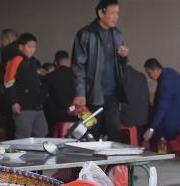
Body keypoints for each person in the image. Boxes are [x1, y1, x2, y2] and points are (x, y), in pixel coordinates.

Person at [72, 0, 129, 141]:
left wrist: (123, 57)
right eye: (112, 13)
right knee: (91, 133)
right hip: (92, 93)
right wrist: (80, 93)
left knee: (114, 131)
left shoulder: (117, 34)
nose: (116, 17)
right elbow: (78, 66)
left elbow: (120, 65)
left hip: (113, 94)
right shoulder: (85, 34)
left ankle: (114, 164)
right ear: (101, 13)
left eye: (118, 13)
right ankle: (90, 164)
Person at [4, 33, 48, 138]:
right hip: (22, 106)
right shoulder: (15, 60)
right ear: (21, 47)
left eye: (34, 47)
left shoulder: (34, 61)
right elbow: (8, 81)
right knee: (23, 136)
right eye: (29, 46)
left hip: (37, 105)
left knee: (42, 132)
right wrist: (13, 102)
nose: (32, 50)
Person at [142, 59, 180, 144]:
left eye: (149, 73)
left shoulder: (166, 82)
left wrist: (151, 129)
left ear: (156, 70)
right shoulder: (169, 73)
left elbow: (162, 106)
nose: (149, 76)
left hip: (174, 121)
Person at [44, 50, 77, 135]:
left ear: (56, 62)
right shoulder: (77, 77)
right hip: (75, 114)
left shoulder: (49, 77)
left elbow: (44, 96)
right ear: (69, 61)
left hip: (55, 116)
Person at [120, 65, 150, 143]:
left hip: (128, 119)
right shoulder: (141, 76)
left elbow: (121, 99)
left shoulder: (121, 76)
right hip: (143, 118)